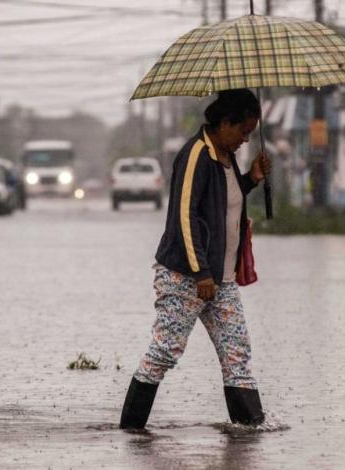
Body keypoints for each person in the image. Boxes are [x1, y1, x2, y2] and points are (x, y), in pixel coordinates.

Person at [119, 89, 272, 429]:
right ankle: (131, 431)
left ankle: (249, 433)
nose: (245, 140)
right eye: (242, 131)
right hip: (185, 276)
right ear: (224, 123)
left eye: (250, 133)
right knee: (164, 351)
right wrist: (201, 273)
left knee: (237, 354)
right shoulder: (196, 155)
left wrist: (251, 180)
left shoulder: (227, 158)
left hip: (222, 280)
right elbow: (184, 217)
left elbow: (222, 204)